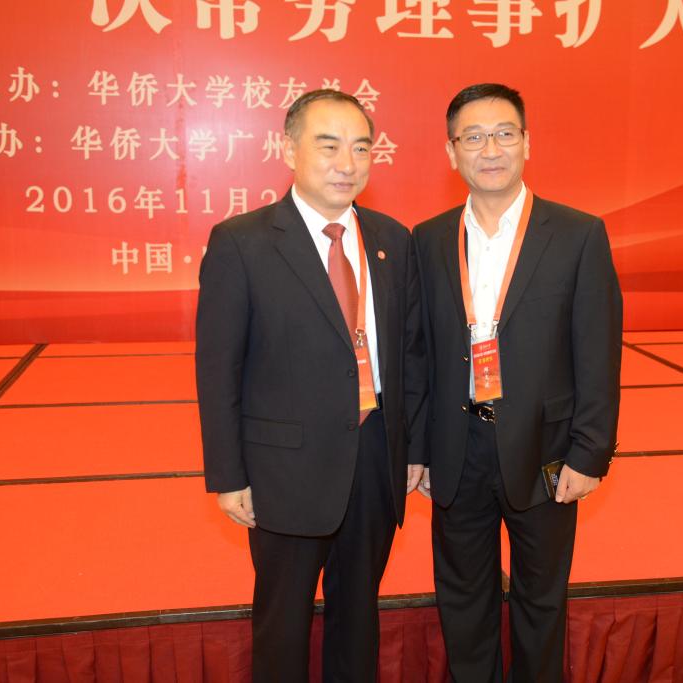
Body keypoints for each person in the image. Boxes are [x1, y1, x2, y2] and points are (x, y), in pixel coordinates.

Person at [196, 89, 426, 682]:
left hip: (374, 457)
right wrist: (228, 474)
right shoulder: (242, 242)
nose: (347, 163)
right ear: (288, 149)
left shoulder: (392, 240)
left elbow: (411, 354)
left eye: (361, 148)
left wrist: (413, 450)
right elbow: (218, 368)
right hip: (284, 469)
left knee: (359, 615)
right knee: (283, 623)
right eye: (329, 146)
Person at [413, 83, 622, 682]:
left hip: (546, 450)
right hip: (457, 450)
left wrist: (590, 453)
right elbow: (417, 354)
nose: (490, 150)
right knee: (463, 600)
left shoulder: (578, 234)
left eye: (505, 134)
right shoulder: (426, 239)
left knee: (541, 600)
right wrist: (418, 451)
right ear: (451, 152)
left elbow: (598, 350)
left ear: (527, 143)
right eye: (473, 137)